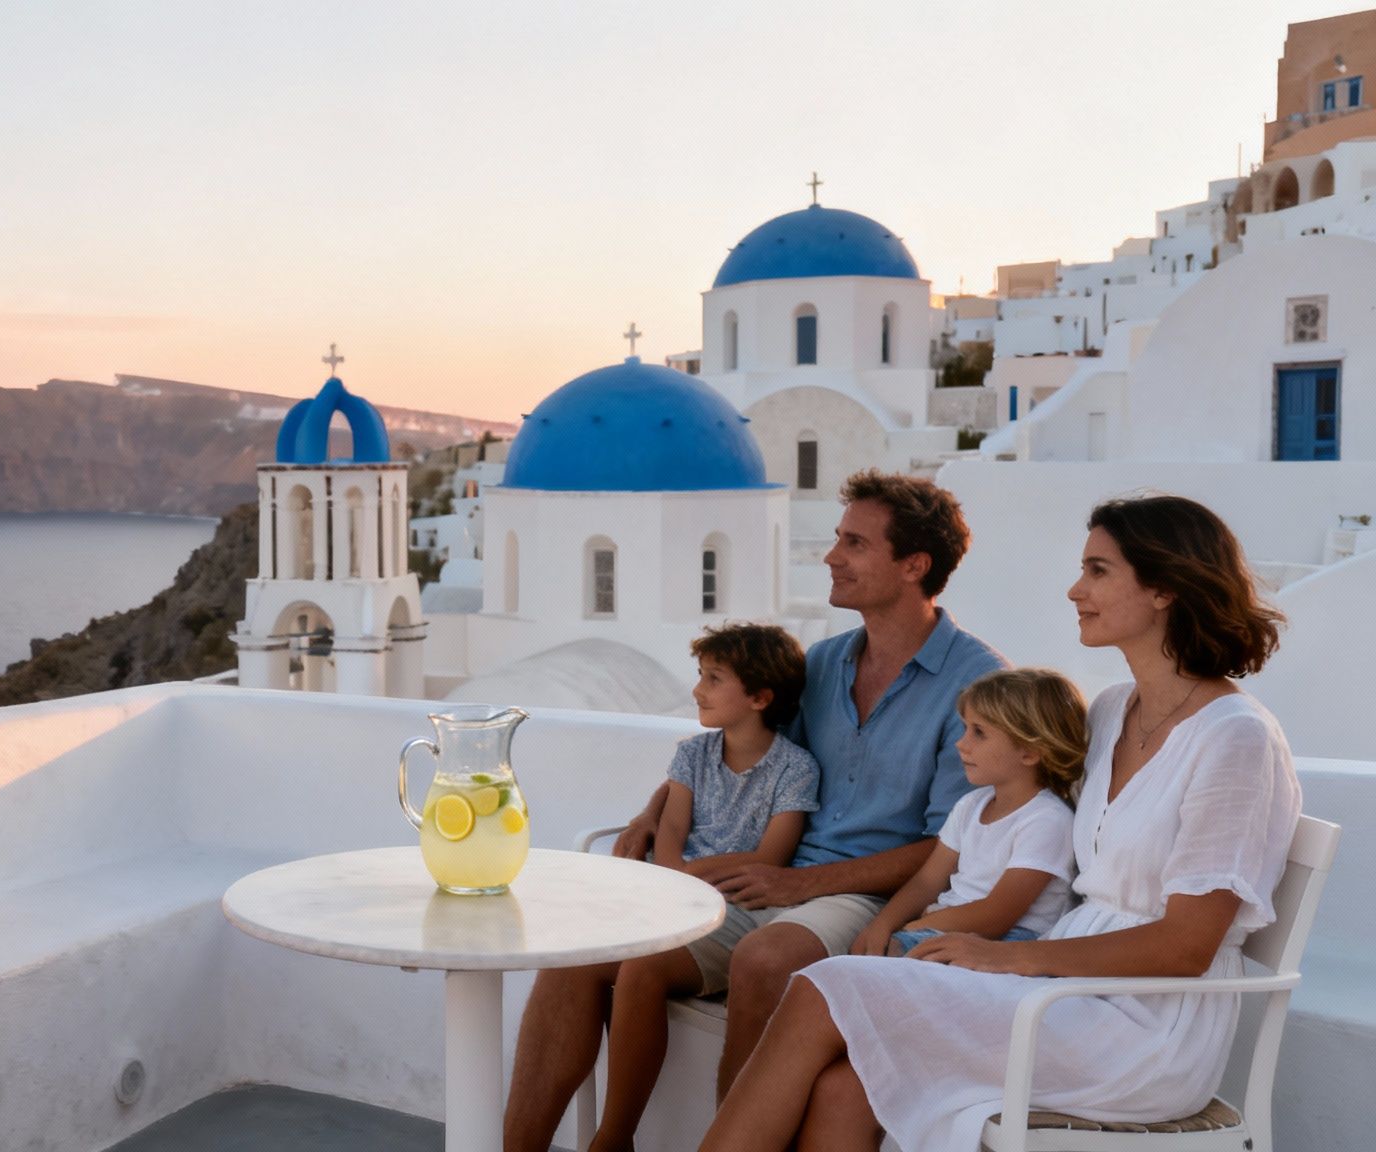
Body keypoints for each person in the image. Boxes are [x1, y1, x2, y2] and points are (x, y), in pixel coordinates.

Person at [699, 494, 1302, 1152]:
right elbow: (1009, 823)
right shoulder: (1109, 712)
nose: (1076, 589)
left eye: (1098, 571)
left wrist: (1002, 955)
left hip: (1141, 1023)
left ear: (1163, 588)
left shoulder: (1235, 738)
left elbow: (1185, 947)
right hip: (1058, 989)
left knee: (828, 983)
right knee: (844, 1084)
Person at [504, 471, 1006, 1152]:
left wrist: (801, 884)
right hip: (767, 876)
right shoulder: (824, 663)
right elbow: (742, 745)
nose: (831, 556)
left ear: (914, 566)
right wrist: (654, 810)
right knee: (582, 953)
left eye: (854, 543)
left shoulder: (976, 684)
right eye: (836, 538)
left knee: (768, 958)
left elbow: (950, 845)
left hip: (867, 891)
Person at [581, 624, 819, 1150]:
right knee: (578, 954)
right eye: (701, 675)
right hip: (676, 896)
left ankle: (613, 1137)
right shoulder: (691, 755)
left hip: (738, 908)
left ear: (760, 697)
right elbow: (671, 832)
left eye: (714, 678)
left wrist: (688, 878)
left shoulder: (795, 770)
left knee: (641, 966)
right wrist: (676, 880)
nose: (698, 690)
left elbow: (768, 859)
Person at [850, 668, 1085, 960]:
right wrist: (881, 925)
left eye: (979, 733)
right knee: (863, 951)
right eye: (965, 728)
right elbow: (927, 880)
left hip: (1004, 942)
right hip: (944, 925)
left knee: (882, 962)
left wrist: (916, 926)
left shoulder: (1046, 820)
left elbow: (996, 915)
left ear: (1029, 752)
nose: (961, 743)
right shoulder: (971, 805)